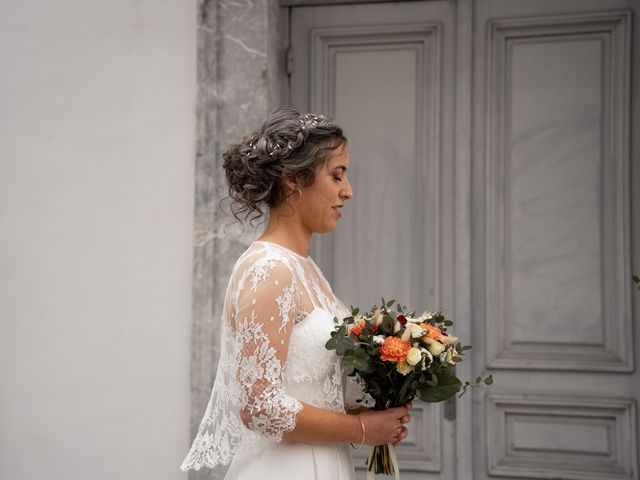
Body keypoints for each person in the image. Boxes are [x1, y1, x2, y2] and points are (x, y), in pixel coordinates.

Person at [180, 107, 411, 479]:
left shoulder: (306, 270)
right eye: (337, 176)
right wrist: (363, 430)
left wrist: (376, 410)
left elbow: (312, 394)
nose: (348, 192)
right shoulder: (269, 269)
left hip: (325, 462)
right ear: (293, 181)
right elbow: (259, 407)